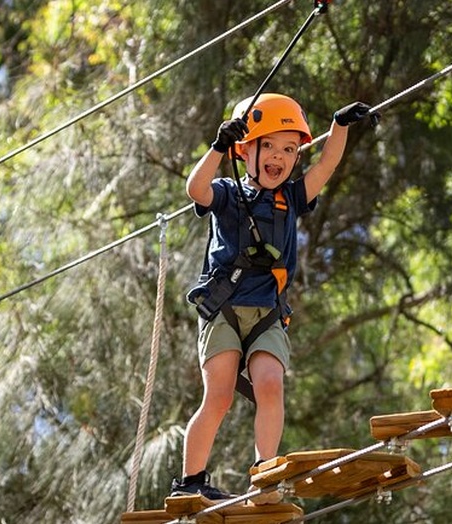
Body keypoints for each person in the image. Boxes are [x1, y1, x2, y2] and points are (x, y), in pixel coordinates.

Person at [170, 93, 373, 502]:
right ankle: (191, 482)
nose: (280, 157)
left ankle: (265, 473)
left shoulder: (293, 198)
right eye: (271, 146)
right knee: (221, 395)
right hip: (223, 308)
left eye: (290, 149)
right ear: (246, 150)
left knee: (270, 384)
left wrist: (340, 125)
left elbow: (328, 163)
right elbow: (196, 189)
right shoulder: (227, 193)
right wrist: (218, 146)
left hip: (267, 312)